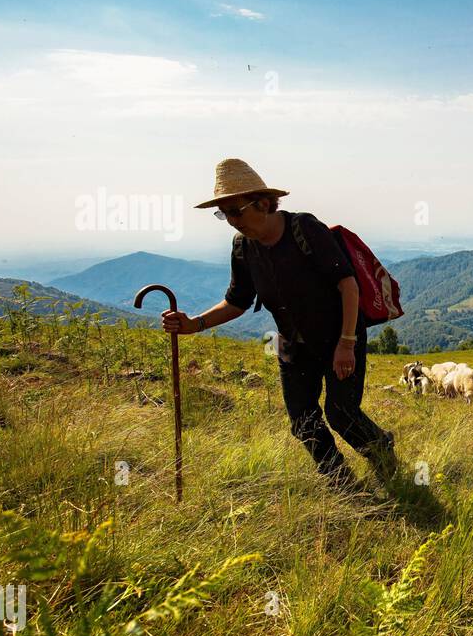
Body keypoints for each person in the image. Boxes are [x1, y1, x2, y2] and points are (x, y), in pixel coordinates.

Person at [161, 158, 395, 490]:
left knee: (341, 414)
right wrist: (193, 324)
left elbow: (348, 285)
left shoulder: (304, 229)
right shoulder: (242, 247)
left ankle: (381, 450)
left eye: (236, 210)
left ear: (264, 203)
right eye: (224, 214)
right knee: (302, 421)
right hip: (292, 342)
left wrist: (346, 343)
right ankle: (344, 487)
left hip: (339, 335)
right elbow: (237, 301)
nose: (231, 221)